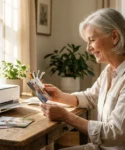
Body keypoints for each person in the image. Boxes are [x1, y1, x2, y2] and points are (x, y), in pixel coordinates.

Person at [40, 8, 125, 150]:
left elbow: (114, 134)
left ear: (114, 37)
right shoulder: (109, 70)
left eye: (92, 40)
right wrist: (61, 96)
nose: (88, 48)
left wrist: (67, 116)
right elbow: (92, 96)